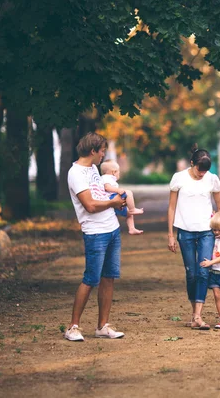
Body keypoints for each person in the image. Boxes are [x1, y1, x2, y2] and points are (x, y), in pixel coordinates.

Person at [64, 132, 127, 342]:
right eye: (102, 151)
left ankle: (102, 326)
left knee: (108, 278)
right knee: (90, 279)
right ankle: (73, 327)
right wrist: (113, 202)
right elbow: (90, 205)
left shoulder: (92, 169)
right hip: (95, 232)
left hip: (112, 229)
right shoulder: (76, 173)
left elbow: (100, 194)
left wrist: (117, 199)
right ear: (93, 151)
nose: (103, 156)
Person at [167, 147, 220, 330]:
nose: (202, 173)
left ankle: (197, 316)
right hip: (185, 232)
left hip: (206, 231)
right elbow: (171, 208)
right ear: (192, 163)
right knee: (191, 273)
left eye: (205, 170)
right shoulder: (178, 178)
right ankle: (195, 312)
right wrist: (171, 234)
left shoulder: (212, 179)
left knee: (204, 271)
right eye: (199, 169)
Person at [100, 160, 144, 235]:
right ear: (114, 172)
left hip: (112, 199)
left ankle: (131, 228)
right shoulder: (106, 177)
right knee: (129, 192)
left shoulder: (107, 178)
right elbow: (107, 188)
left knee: (129, 214)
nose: (119, 173)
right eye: (118, 171)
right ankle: (132, 209)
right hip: (111, 198)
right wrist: (117, 190)